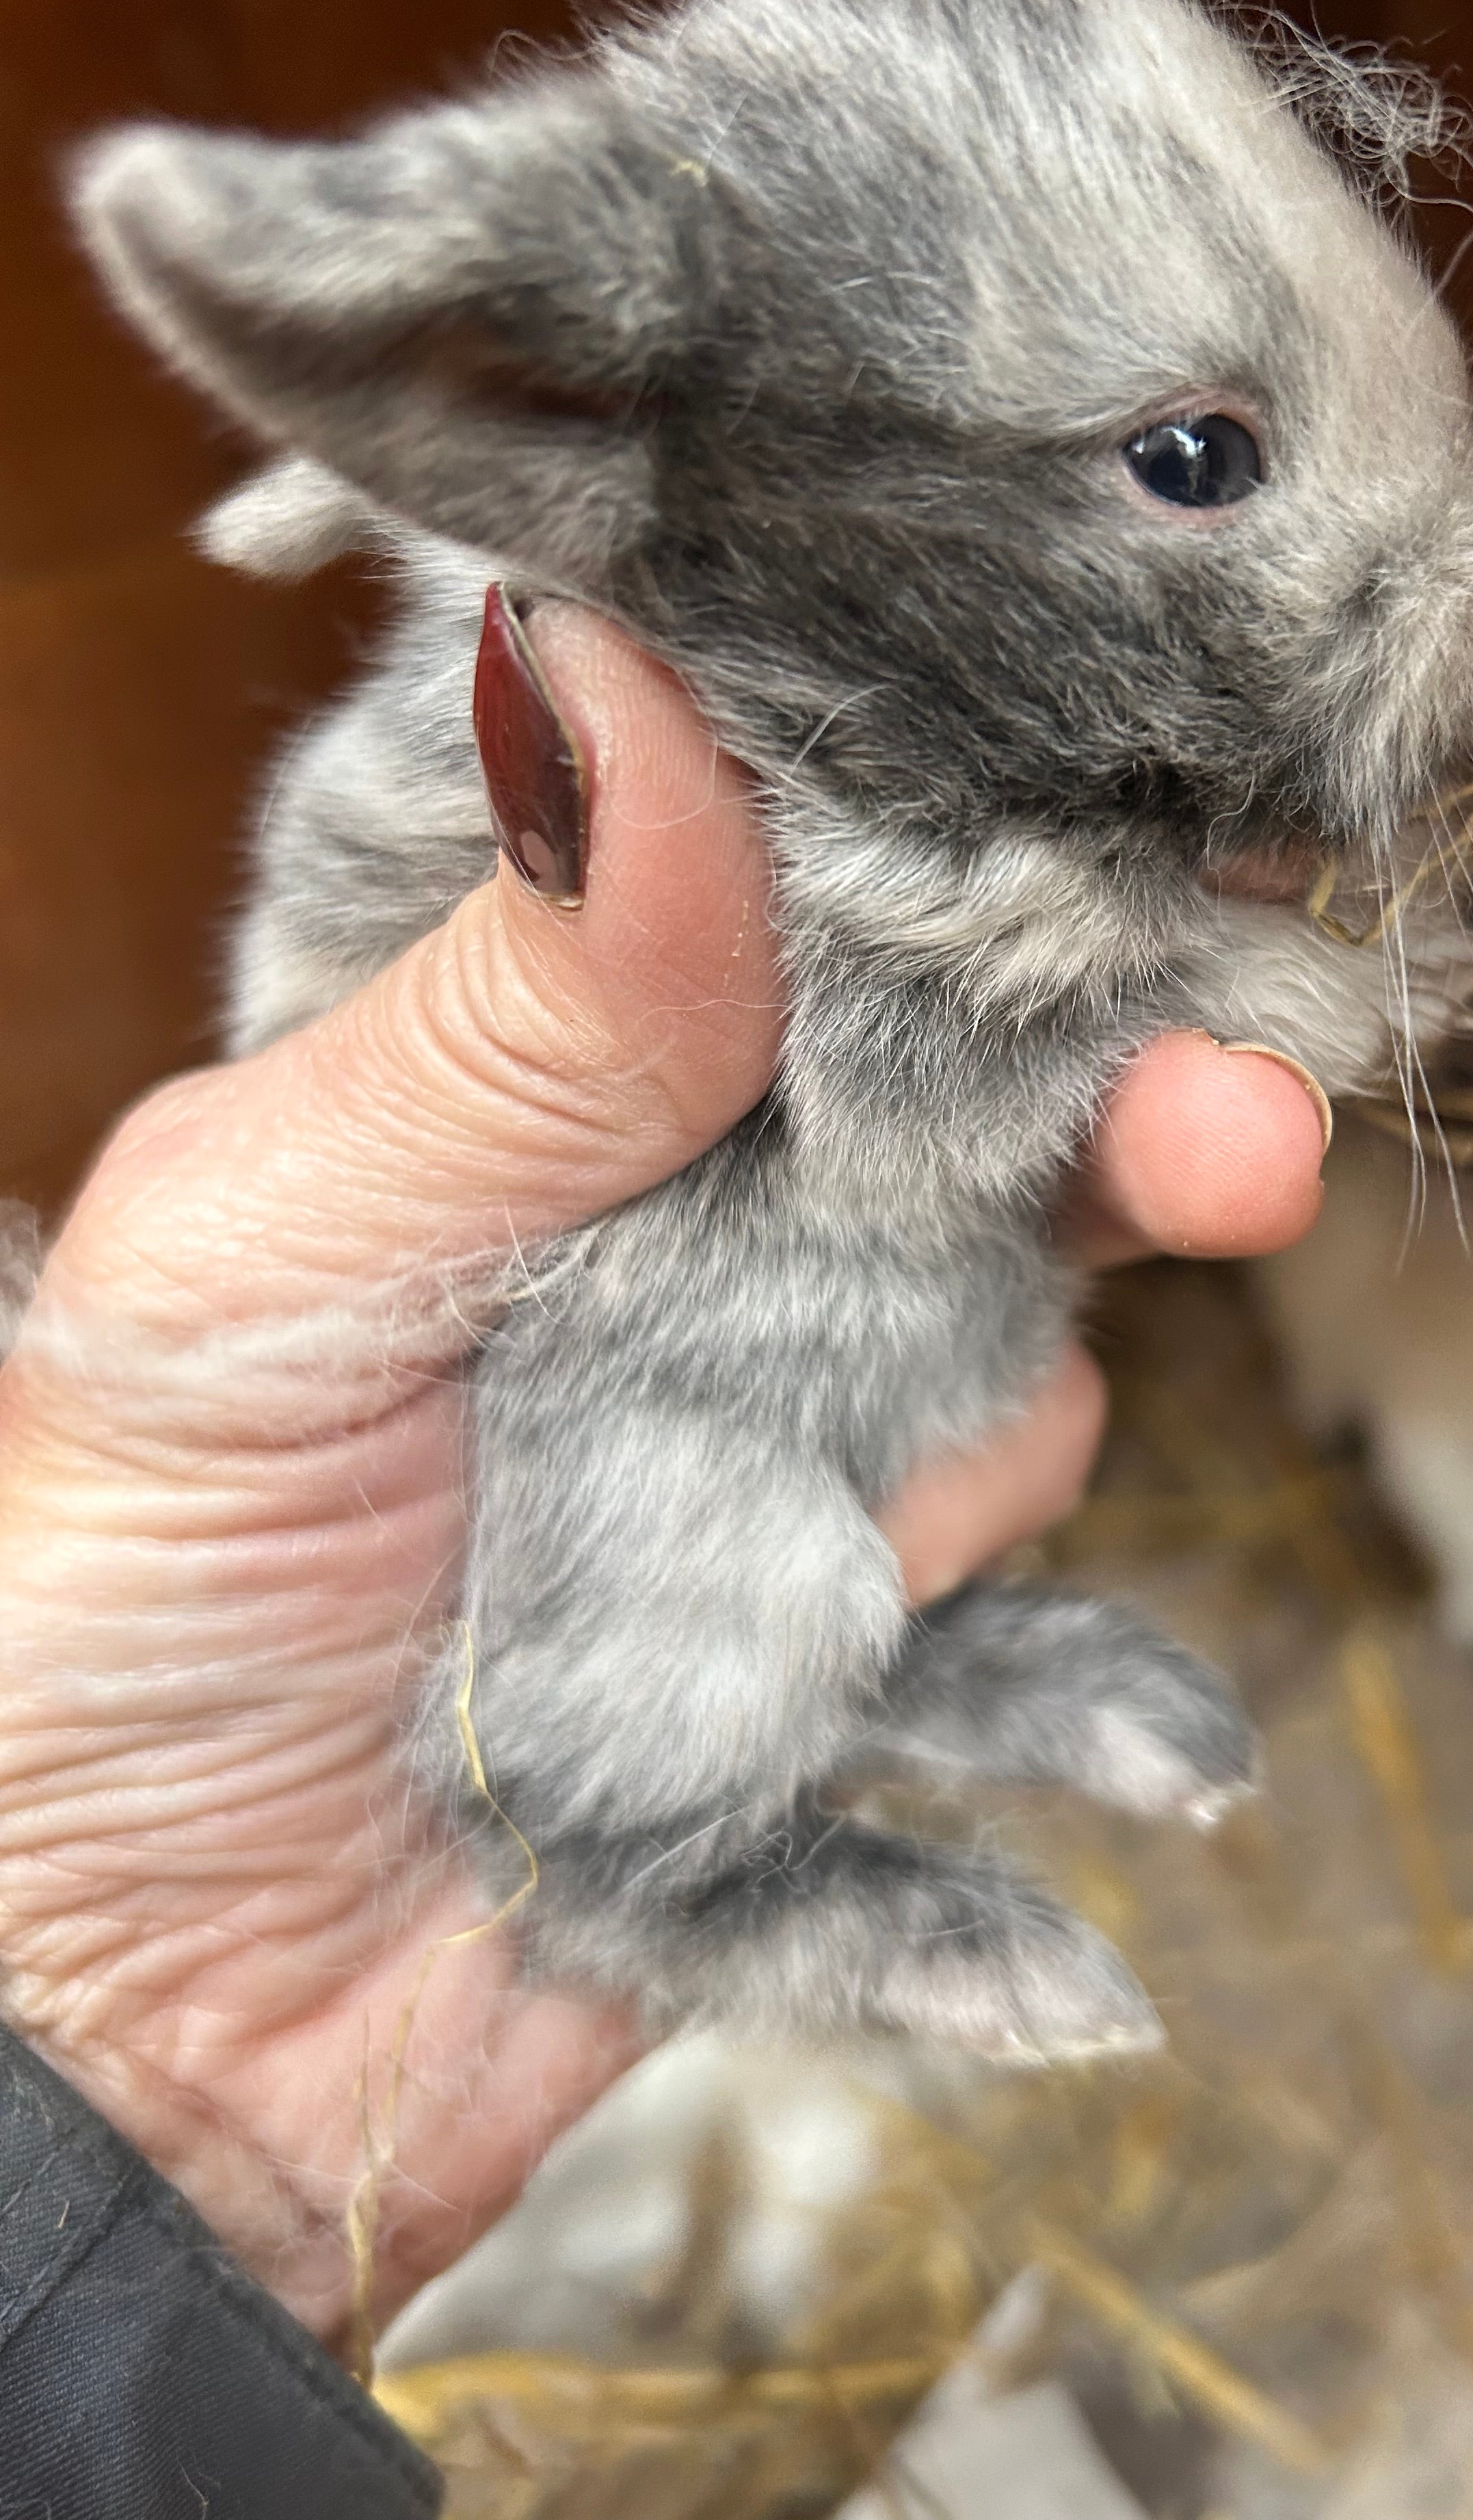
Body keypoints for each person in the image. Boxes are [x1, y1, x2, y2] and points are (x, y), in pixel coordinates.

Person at [0, 599, 1331, 2513]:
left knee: (905, 1488)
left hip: (830, 1382)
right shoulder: (823, 762)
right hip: (643, 1469)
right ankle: (724, 1882)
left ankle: (903, 1703)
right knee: (748, 1580)